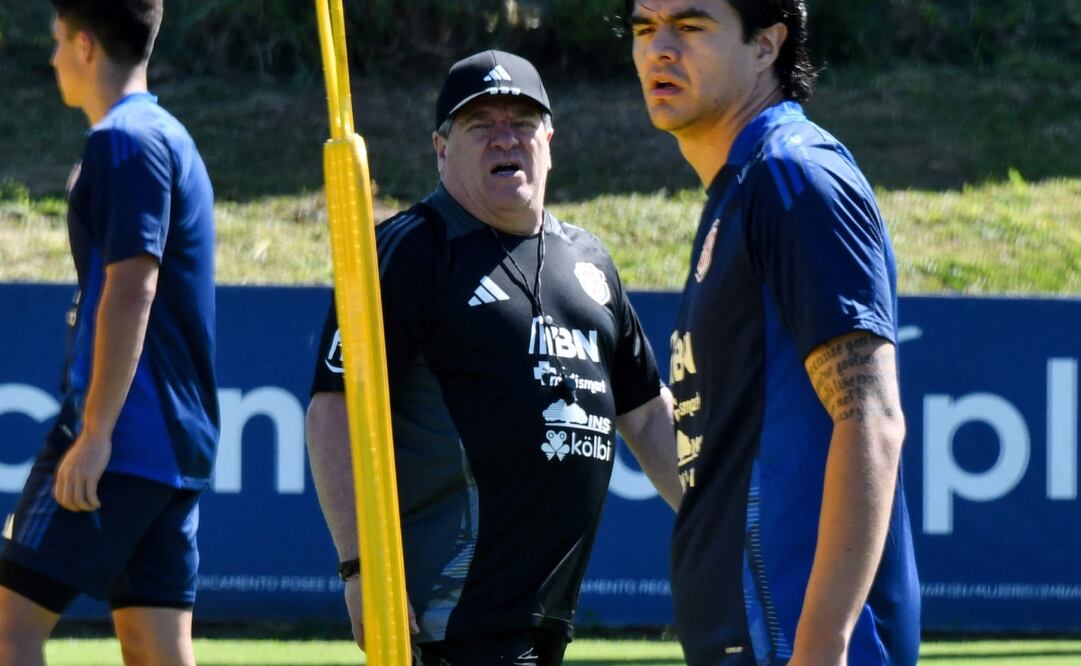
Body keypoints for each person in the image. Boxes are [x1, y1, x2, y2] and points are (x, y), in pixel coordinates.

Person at [307, 49, 681, 665]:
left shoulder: (589, 262)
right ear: (441, 148)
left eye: (522, 123)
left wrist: (727, 530)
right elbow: (333, 410)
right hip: (451, 620)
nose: (505, 138)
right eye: (481, 125)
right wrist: (361, 571)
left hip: (545, 620)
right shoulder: (411, 251)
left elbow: (644, 415)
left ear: (550, 141)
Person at [626, 1, 920, 664]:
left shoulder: (791, 175)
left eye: (690, 25)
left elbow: (870, 418)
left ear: (766, 43)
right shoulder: (741, 187)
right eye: (644, 28)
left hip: (795, 644)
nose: (659, 49)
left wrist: (820, 644)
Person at [0, 1, 217, 664]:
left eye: (60, 41)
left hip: (121, 439)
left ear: (87, 47)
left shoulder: (125, 140)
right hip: (171, 450)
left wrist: (93, 433)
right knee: (156, 651)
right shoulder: (166, 136)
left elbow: (132, 287)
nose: (54, 57)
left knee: (6, 632)